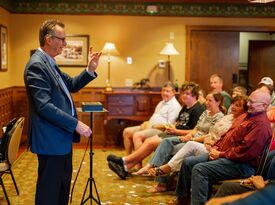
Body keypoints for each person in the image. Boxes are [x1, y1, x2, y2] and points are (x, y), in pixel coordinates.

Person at [24, 19, 101, 205]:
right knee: (49, 192)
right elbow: (44, 106)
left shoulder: (49, 62)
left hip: (60, 137)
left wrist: (90, 69)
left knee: (61, 189)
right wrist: (76, 124)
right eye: (62, 39)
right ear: (49, 39)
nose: (65, 44)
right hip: (50, 139)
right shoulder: (37, 65)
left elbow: (72, 84)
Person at [169, 89, 272, 205]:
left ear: (264, 105)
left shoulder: (261, 125)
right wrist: (216, 148)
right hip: (227, 156)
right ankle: (183, 199)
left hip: (242, 165)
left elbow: (244, 152)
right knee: (188, 162)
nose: (248, 104)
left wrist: (221, 154)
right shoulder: (245, 116)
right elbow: (227, 136)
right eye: (249, 101)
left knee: (200, 170)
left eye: (252, 102)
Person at [147, 95, 248, 192]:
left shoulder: (239, 122)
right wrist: (204, 139)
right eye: (233, 104)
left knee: (187, 147)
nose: (234, 107)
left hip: (215, 149)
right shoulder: (228, 117)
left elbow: (225, 139)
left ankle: (164, 170)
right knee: (169, 143)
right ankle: (162, 178)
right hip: (207, 143)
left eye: (238, 105)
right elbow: (211, 132)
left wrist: (209, 143)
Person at [107, 82, 205, 179]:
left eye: (187, 94)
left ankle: (124, 161)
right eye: (183, 93)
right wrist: (172, 127)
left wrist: (175, 131)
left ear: (195, 95)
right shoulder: (185, 107)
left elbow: (195, 131)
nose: (184, 95)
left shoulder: (198, 109)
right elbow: (179, 123)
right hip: (172, 133)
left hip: (181, 137)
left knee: (149, 141)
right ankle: (126, 166)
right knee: (147, 141)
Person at [136, 92, 226, 192]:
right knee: (166, 142)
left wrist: (192, 139)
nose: (206, 102)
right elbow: (196, 129)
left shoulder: (220, 117)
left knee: (171, 149)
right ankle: (150, 165)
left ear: (218, 102)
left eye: (210, 100)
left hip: (199, 143)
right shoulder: (206, 112)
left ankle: (161, 184)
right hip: (192, 138)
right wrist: (189, 135)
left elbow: (210, 136)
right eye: (207, 100)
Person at [123, 81, 181, 155]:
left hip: (160, 130)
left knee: (137, 135)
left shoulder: (175, 106)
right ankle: (127, 159)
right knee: (127, 131)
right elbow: (155, 116)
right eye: (163, 91)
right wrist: (146, 123)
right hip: (150, 126)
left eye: (167, 91)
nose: (164, 93)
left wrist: (154, 126)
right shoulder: (161, 103)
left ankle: (137, 164)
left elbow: (170, 125)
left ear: (173, 93)